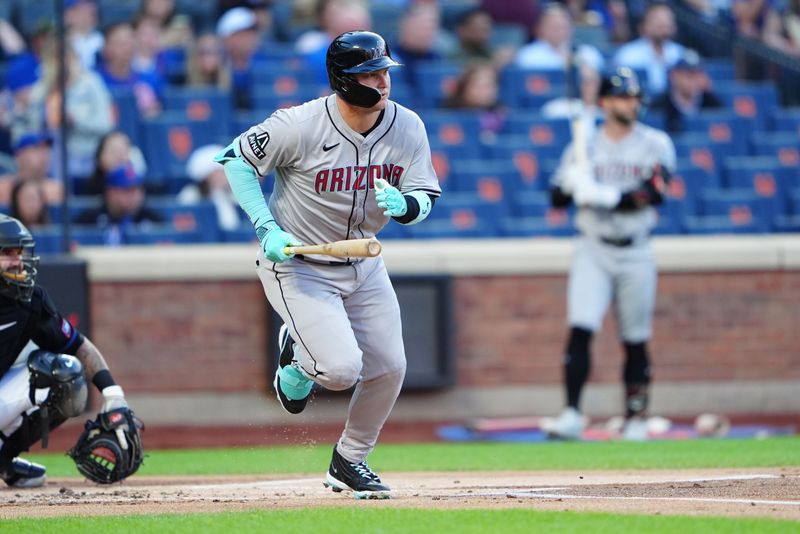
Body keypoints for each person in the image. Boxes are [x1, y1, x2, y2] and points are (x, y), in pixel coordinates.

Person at [214, 30, 440, 499]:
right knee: (340, 370)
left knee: (389, 367)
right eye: (370, 74)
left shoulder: (407, 125)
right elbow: (235, 159)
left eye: (383, 72)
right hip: (299, 261)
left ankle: (350, 460)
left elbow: (424, 195)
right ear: (344, 80)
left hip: (363, 259)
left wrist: (408, 206)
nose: (382, 82)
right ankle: (296, 358)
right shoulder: (299, 124)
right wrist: (264, 226)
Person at [544, 67, 676, 441]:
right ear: (605, 102)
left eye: (634, 97)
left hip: (636, 248)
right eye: (622, 96)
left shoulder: (655, 142)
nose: (631, 103)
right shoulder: (584, 145)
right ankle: (571, 413)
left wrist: (605, 195)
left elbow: (655, 192)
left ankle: (636, 418)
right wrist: (571, 185)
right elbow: (555, 198)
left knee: (636, 336)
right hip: (593, 247)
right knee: (581, 327)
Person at [0, 214, 141, 487]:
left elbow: (78, 346)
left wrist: (113, 394)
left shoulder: (31, 302)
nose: (18, 261)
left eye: (20, 252)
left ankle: (3, 458)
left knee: (63, 374)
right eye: (7, 253)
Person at [74, 162, 164, 246]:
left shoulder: (154, 219)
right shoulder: (89, 220)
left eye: (137, 190)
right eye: (127, 190)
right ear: (110, 192)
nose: (134, 196)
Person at [612, 2, 686, 99]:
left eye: (668, 19)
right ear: (643, 25)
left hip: (670, 108)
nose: (664, 23)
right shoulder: (628, 54)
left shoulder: (680, 53)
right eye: (658, 19)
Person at [514, 3, 605, 73]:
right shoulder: (528, 55)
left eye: (563, 26)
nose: (559, 31)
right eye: (554, 26)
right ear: (539, 29)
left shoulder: (586, 52)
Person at [649, 49, 722, 134]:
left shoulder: (712, 103)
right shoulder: (660, 106)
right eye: (689, 75)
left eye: (697, 74)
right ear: (674, 76)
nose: (694, 80)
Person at [178, 144, 241, 232]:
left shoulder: (233, 194)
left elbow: (231, 226)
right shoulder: (191, 194)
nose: (224, 176)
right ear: (205, 175)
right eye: (218, 172)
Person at [0, 132, 63, 205]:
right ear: (19, 155)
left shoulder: (57, 190)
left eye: (47, 150)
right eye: (37, 149)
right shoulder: (3, 187)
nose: (44, 154)